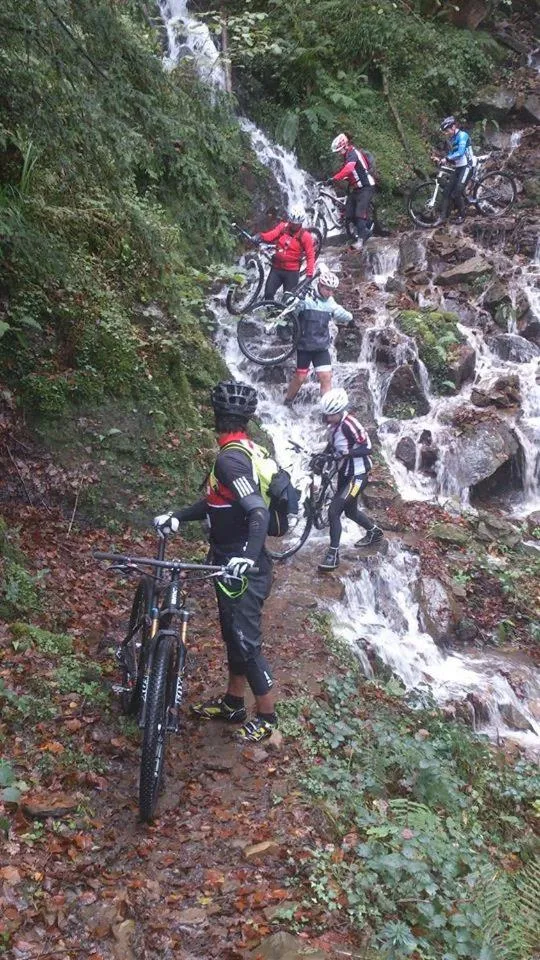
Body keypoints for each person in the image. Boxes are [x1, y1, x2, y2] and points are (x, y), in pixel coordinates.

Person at [153, 381, 277, 744]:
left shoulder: (230, 459)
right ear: (246, 420)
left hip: (243, 566)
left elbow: (257, 512)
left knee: (245, 639)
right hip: (229, 561)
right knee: (231, 634)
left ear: (214, 417)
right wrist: (177, 515)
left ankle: (268, 716)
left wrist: (247, 557)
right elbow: (217, 503)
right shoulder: (244, 451)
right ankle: (234, 703)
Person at [316, 388, 384, 572]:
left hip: (358, 476)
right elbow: (332, 446)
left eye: (331, 415)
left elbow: (368, 448)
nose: (327, 418)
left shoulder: (350, 424)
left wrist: (347, 453)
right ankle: (374, 533)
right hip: (345, 474)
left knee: (334, 511)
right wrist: (320, 459)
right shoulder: (334, 425)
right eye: (326, 415)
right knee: (350, 511)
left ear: (339, 412)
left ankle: (333, 554)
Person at [284, 268, 352, 405]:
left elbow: (347, 316)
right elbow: (289, 309)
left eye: (332, 290)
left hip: (321, 347)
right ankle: (287, 401)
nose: (330, 293)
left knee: (326, 377)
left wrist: (345, 315)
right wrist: (296, 303)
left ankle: (327, 411)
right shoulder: (306, 298)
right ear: (320, 285)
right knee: (300, 377)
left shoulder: (331, 303)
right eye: (328, 289)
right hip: (304, 345)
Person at [251, 205, 315, 300]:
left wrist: (309, 275)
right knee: (268, 294)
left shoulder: (306, 237)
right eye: (292, 223)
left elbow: (310, 256)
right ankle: (271, 314)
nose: (293, 226)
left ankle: (282, 314)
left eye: (296, 224)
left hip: (292, 272)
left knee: (287, 300)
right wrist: (260, 236)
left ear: (301, 223)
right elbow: (272, 235)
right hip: (277, 268)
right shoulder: (283, 227)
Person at [327, 133, 375, 250]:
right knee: (349, 214)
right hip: (357, 188)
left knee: (359, 213)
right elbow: (349, 172)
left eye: (339, 150)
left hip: (366, 186)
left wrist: (335, 178)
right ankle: (366, 231)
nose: (338, 153)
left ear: (344, 146)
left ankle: (360, 241)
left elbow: (348, 169)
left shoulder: (352, 154)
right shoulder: (347, 155)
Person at [434, 116, 475, 225]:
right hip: (459, 167)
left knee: (457, 191)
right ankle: (442, 218)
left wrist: (446, 159)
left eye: (447, 130)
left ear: (453, 127)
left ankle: (462, 215)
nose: (446, 133)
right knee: (447, 192)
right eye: (445, 132)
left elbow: (460, 152)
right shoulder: (452, 138)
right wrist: (443, 160)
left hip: (468, 166)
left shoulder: (462, 135)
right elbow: (453, 155)